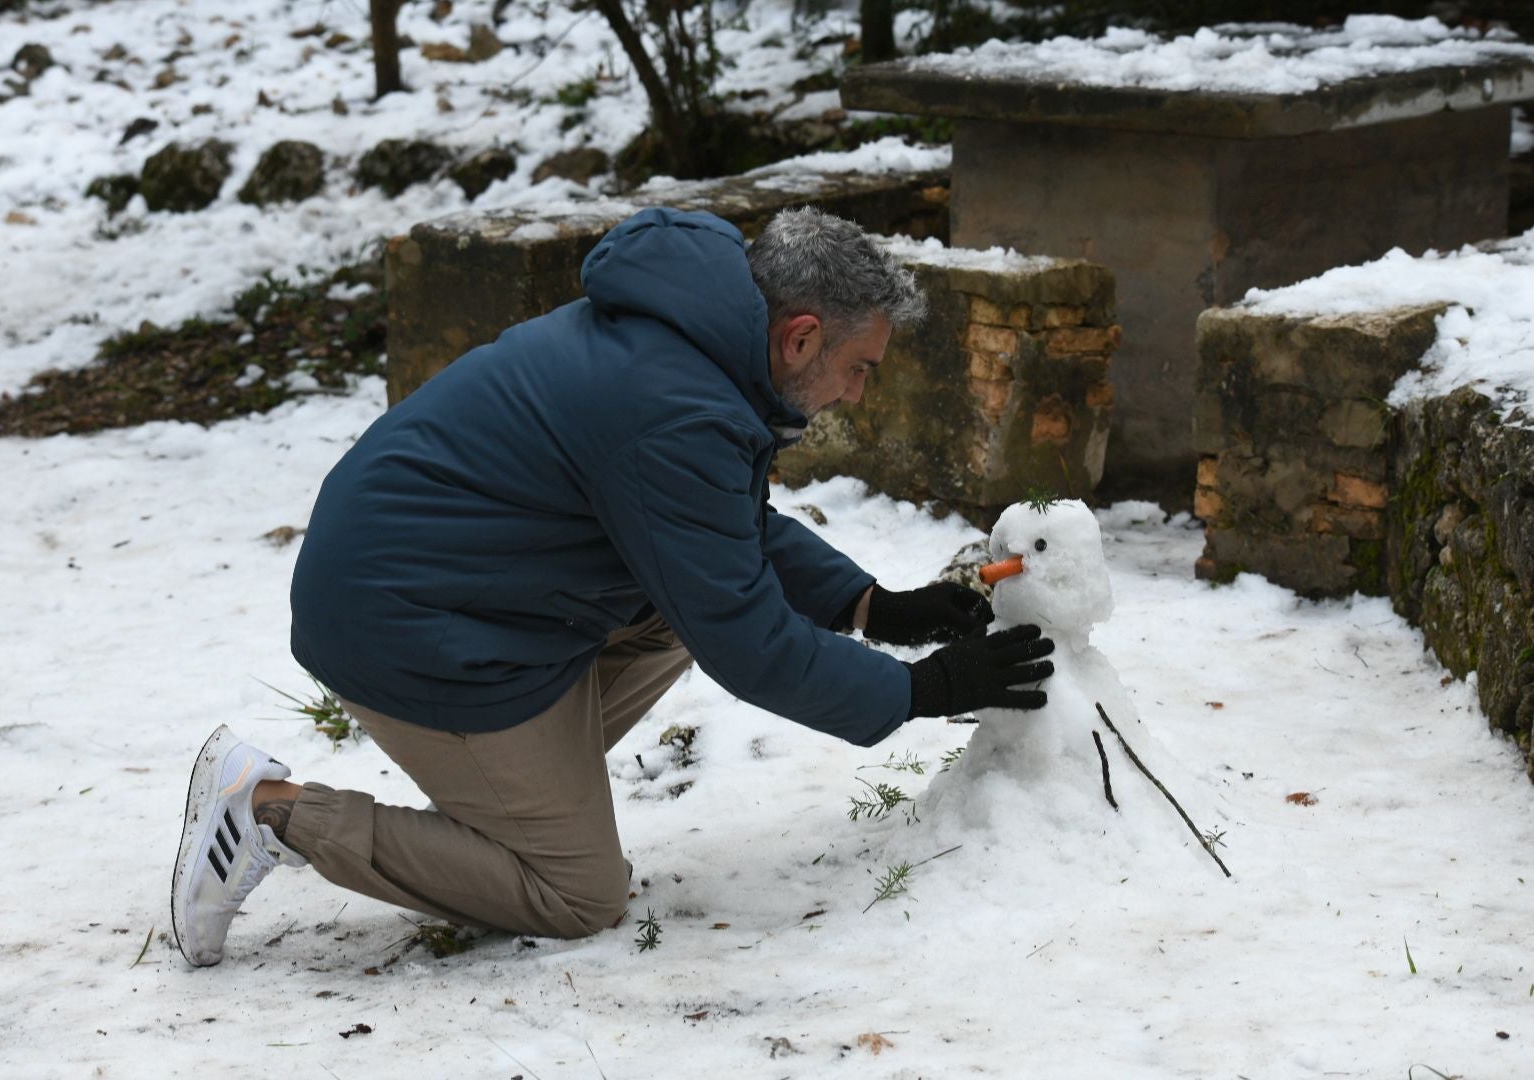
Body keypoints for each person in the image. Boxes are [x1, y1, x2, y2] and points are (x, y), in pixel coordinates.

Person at [171, 206, 1056, 967]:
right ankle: (266, 812)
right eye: (862, 368)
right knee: (576, 893)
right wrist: (919, 692)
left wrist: (869, 606)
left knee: (682, 610)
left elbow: (712, 535)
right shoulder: (674, 407)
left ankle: (509, 797)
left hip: (458, 586)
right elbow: (745, 640)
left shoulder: (689, 339)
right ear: (802, 336)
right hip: (403, 619)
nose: (860, 395)